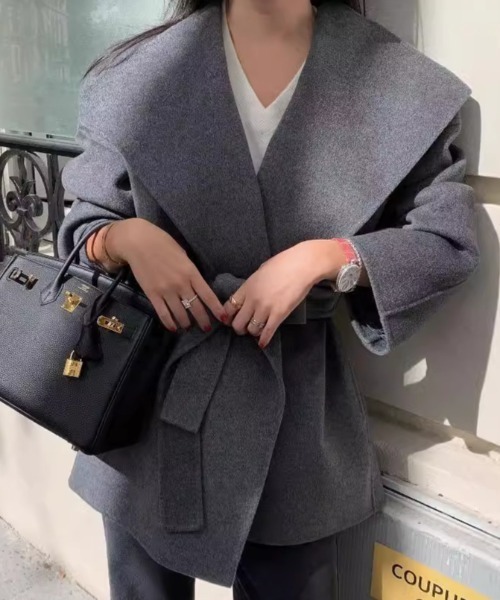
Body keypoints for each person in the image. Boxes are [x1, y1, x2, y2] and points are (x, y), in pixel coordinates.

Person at [57, 0, 479, 598]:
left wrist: (330, 257)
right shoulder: (136, 72)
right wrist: (126, 239)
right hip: (148, 407)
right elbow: (81, 228)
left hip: (296, 417)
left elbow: (444, 241)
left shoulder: (399, 82)